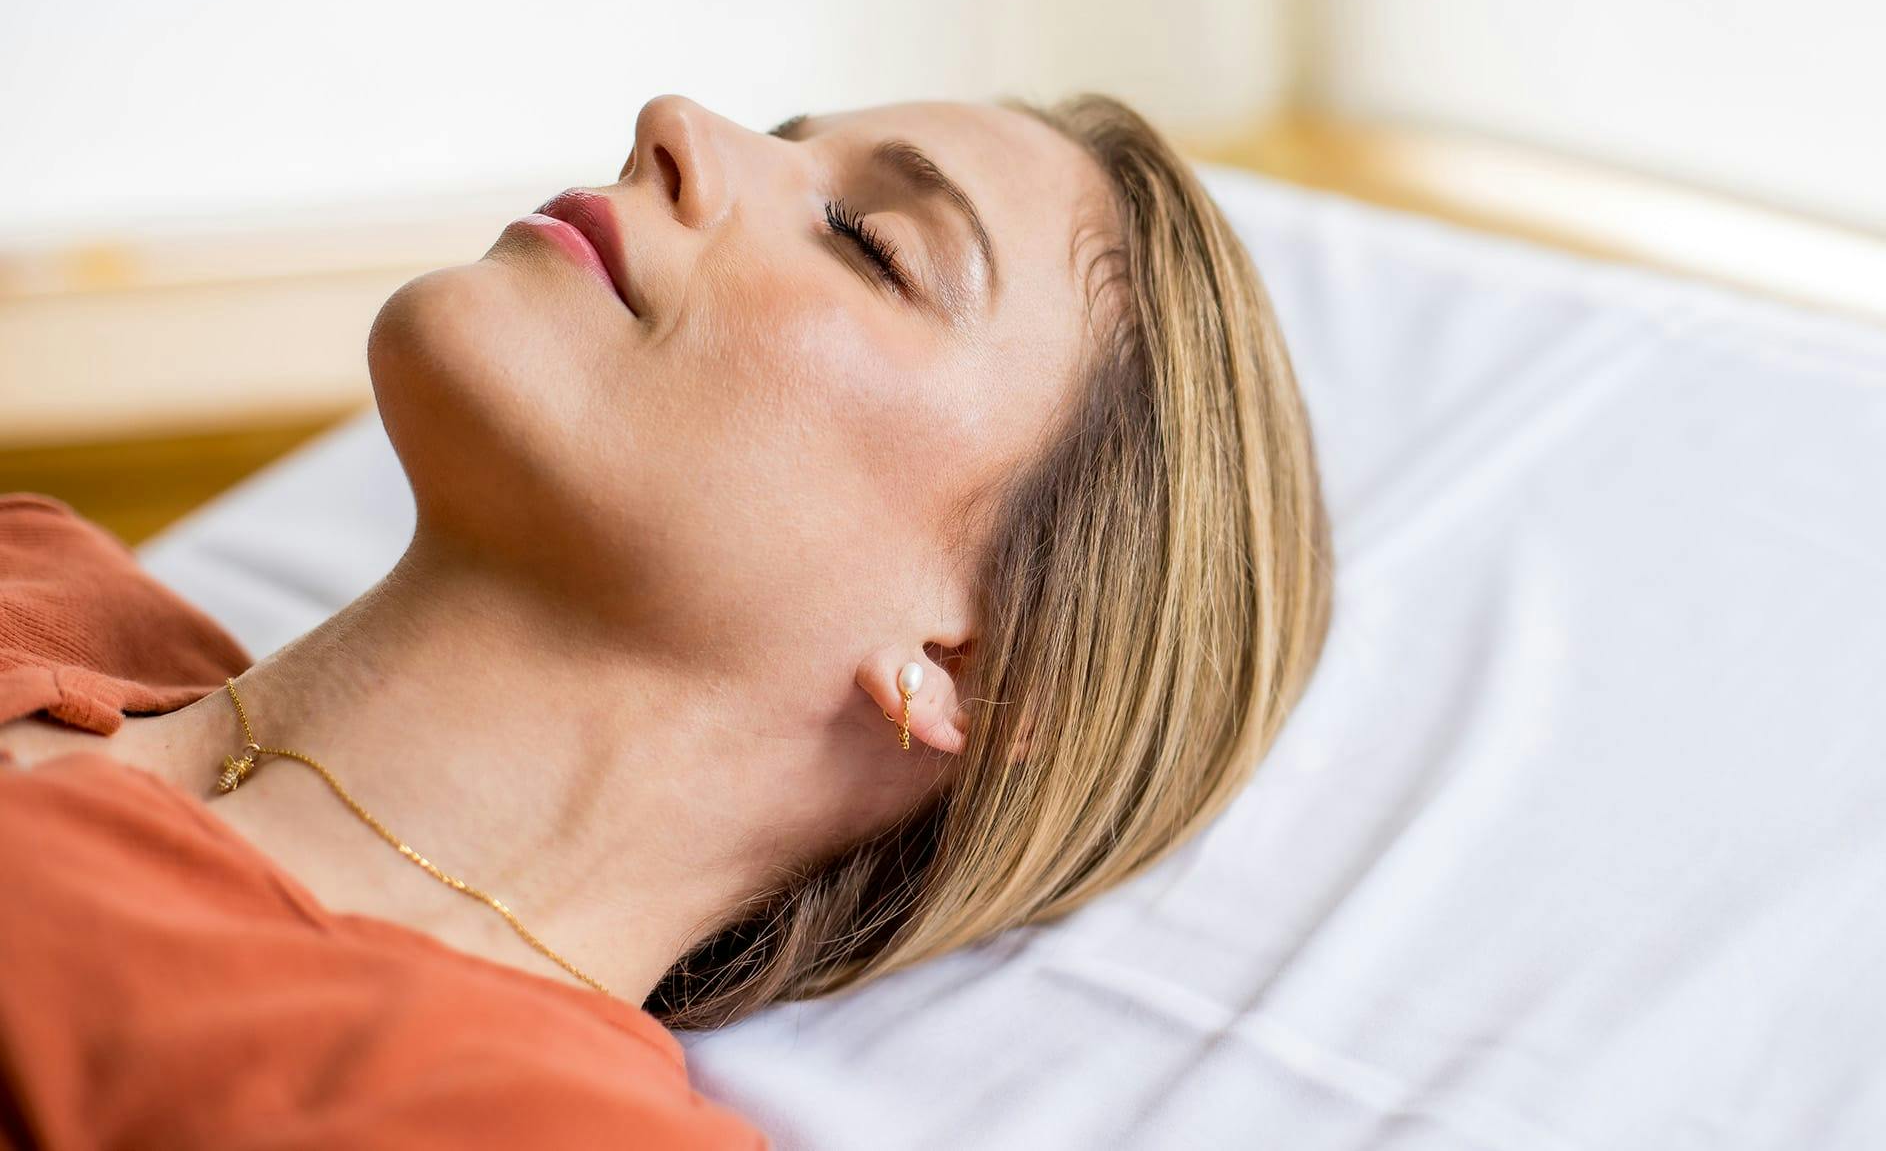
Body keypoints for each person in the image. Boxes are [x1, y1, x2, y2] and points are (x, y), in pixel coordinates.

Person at [0, 91, 1333, 1145]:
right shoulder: (41, 572)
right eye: (789, 138)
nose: (679, 122)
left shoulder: (496, 1122)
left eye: (868, 243)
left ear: (973, 668)